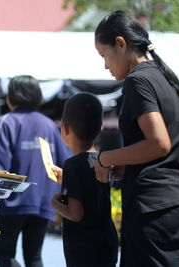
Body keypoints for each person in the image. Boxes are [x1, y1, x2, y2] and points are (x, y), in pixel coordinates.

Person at [94, 11, 179, 267]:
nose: (105, 66)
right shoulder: (166, 77)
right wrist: (129, 162)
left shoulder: (139, 82)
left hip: (152, 207)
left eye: (104, 55)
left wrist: (105, 158)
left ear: (121, 44)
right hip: (175, 201)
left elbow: (159, 144)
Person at [0, 75, 70, 267]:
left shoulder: (6, 121)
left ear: (12, 97)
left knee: (4, 255)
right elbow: (63, 164)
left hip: (11, 202)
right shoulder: (49, 124)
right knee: (34, 257)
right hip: (43, 201)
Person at [51, 93, 118, 267]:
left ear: (65, 129)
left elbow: (75, 213)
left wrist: (55, 203)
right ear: (100, 129)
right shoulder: (103, 161)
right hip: (106, 243)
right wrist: (65, 180)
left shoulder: (72, 165)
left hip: (83, 248)